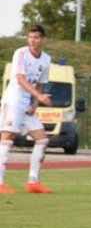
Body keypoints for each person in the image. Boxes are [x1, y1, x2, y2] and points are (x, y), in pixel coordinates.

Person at [0, 25, 53, 195]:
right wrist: (40, 95)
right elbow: (20, 79)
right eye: (30, 37)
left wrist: (35, 104)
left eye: (36, 37)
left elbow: (40, 82)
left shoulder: (46, 59)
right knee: (7, 137)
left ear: (43, 39)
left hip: (26, 104)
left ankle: (33, 182)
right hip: (14, 101)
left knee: (42, 139)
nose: (32, 40)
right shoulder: (21, 53)